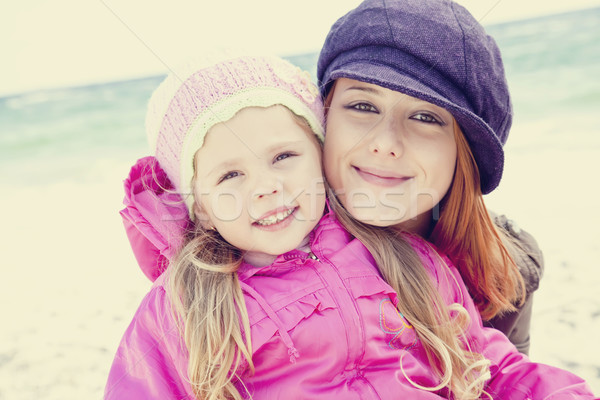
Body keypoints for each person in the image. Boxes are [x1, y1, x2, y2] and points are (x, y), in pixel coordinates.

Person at [105, 54, 595, 400]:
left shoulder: (395, 256)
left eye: (284, 157)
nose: (266, 187)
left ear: (320, 158)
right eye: (230, 175)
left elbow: (487, 365)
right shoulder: (182, 308)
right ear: (201, 207)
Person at [317, 0, 544, 355]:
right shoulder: (261, 256)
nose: (384, 143)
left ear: (464, 150)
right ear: (324, 118)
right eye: (363, 106)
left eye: (425, 116)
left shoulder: (507, 269)